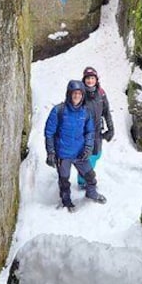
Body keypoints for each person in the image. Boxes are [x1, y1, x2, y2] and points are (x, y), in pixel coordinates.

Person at [44, 80, 107, 210]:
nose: (77, 96)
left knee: (90, 176)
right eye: (74, 93)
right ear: (69, 94)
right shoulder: (58, 110)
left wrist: (88, 147)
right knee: (64, 181)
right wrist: (50, 152)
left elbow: (90, 131)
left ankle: (91, 193)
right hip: (63, 154)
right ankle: (66, 201)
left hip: (80, 153)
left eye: (79, 93)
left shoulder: (86, 112)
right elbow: (49, 132)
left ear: (83, 95)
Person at [77, 66, 114, 188]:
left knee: (96, 155)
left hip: (97, 131)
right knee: (86, 157)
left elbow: (106, 112)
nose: (90, 81)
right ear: (84, 80)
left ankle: (86, 178)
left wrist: (111, 128)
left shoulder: (101, 94)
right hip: (84, 133)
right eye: (87, 78)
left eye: (92, 78)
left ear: (96, 79)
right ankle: (83, 182)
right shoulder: (79, 94)